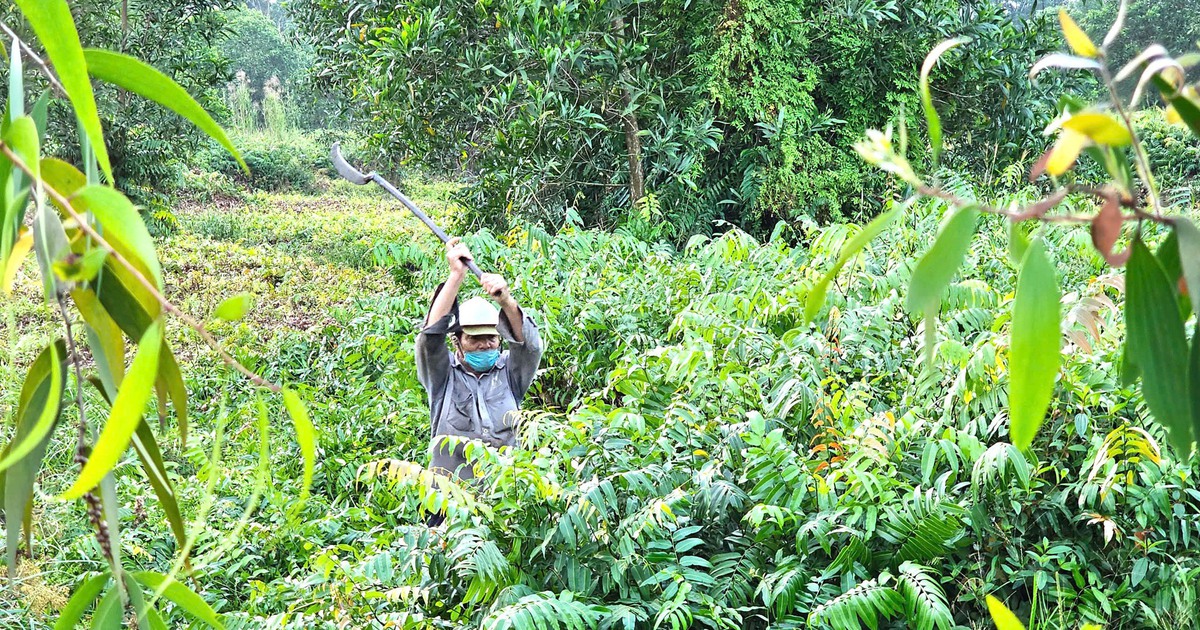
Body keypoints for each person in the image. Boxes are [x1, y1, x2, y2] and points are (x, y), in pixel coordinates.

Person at [415, 236, 544, 499]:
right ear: (458, 342)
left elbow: (530, 347)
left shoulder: (510, 374)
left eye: (491, 338)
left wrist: (506, 300)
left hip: (506, 498)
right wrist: (456, 277)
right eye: (475, 338)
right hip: (449, 502)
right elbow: (429, 338)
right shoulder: (443, 378)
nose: (485, 345)